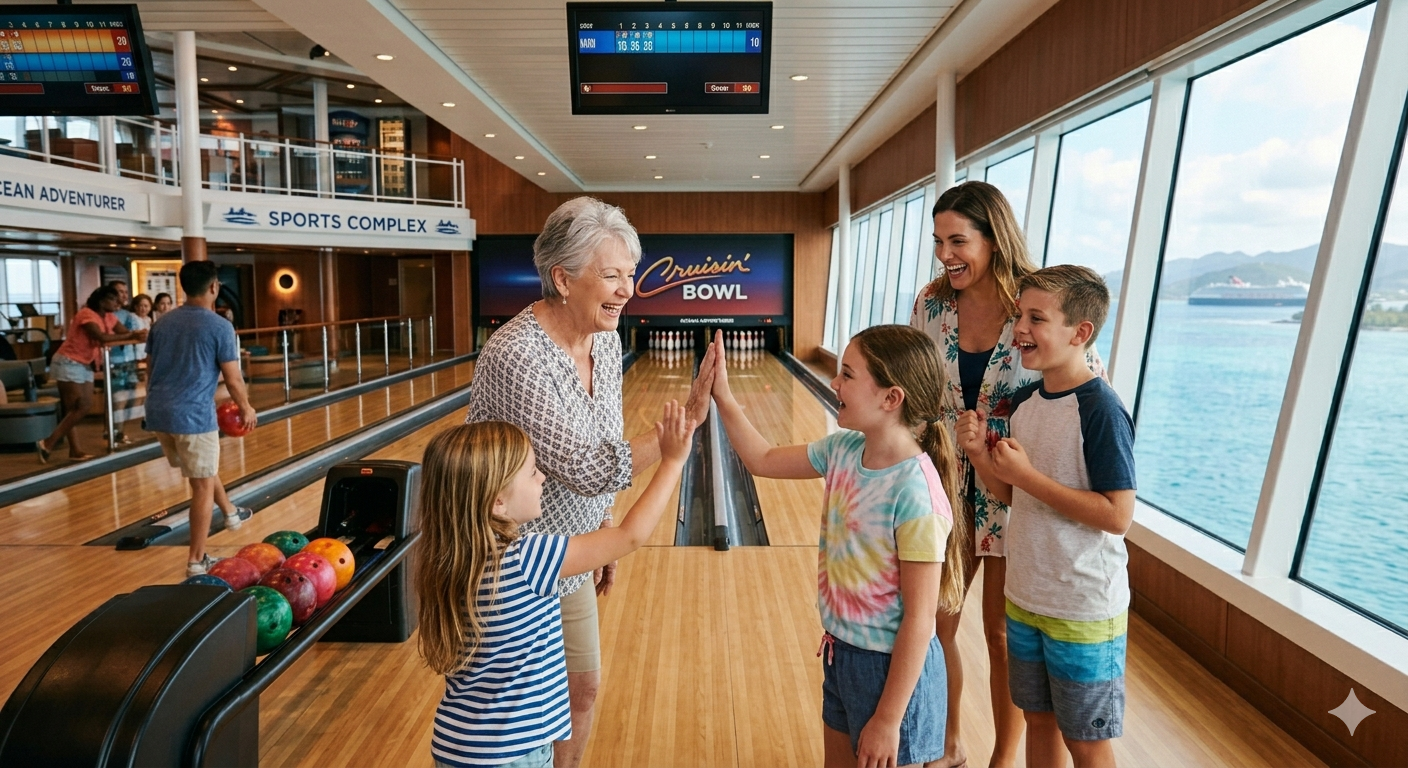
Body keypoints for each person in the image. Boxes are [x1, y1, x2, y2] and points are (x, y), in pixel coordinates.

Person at [464, 196, 713, 768]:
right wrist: (679, 436)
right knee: (521, 715)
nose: (627, 289)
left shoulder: (604, 338)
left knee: (584, 687)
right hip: (509, 563)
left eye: (630, 274)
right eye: (611, 275)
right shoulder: (517, 356)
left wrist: (599, 520)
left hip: (569, 549)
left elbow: (605, 438)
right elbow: (587, 463)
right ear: (563, 278)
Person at [701, 324, 966, 768]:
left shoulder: (916, 492)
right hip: (840, 653)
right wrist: (723, 397)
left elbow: (920, 624)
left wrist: (887, 718)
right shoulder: (843, 449)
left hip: (893, 675)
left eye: (847, 374)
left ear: (890, 398)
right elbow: (762, 460)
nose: (833, 382)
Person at [911, 181, 1103, 768]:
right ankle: (948, 746)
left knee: (1001, 636)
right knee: (936, 624)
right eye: (939, 240)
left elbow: (1084, 379)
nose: (946, 253)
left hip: (1009, 487)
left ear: (994, 239)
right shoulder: (933, 303)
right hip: (946, 480)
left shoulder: (1036, 304)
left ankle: (1003, 756)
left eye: (958, 240)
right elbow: (918, 389)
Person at [417, 404, 697, 768]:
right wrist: (672, 462)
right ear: (497, 502)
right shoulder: (527, 559)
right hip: (515, 755)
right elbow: (629, 537)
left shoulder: (447, 562)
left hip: (457, 747)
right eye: (533, 472)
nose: (543, 479)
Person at [957, 265, 1134, 768]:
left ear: (1081, 334)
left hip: (1081, 606)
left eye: (1037, 318)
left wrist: (1028, 477)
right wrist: (977, 455)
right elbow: (1014, 496)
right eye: (1019, 316)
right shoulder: (1026, 402)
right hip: (1027, 595)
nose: (1020, 330)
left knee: (1086, 740)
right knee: (1039, 720)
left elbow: (1118, 515)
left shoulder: (1101, 409)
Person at [144, 261, 257, 577]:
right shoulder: (220, 326)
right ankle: (196, 560)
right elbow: (233, 379)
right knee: (202, 485)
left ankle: (231, 513)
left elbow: (151, 371)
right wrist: (246, 408)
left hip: (158, 412)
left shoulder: (161, 324)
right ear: (214, 287)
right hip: (193, 414)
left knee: (202, 473)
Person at [36, 285, 146, 463]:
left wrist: (137, 334)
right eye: (114, 299)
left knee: (78, 408)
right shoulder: (86, 315)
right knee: (78, 407)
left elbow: (124, 333)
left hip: (85, 363)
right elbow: (100, 337)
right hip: (69, 361)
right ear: (102, 301)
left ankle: (71, 450)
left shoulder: (109, 317)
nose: (118, 303)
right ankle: (49, 443)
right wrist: (134, 334)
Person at [106, 280, 141, 444]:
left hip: (130, 360)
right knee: (118, 398)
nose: (124, 295)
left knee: (131, 398)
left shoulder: (128, 315)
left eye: (126, 291)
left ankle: (117, 429)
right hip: (114, 360)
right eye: (120, 292)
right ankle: (116, 432)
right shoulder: (107, 315)